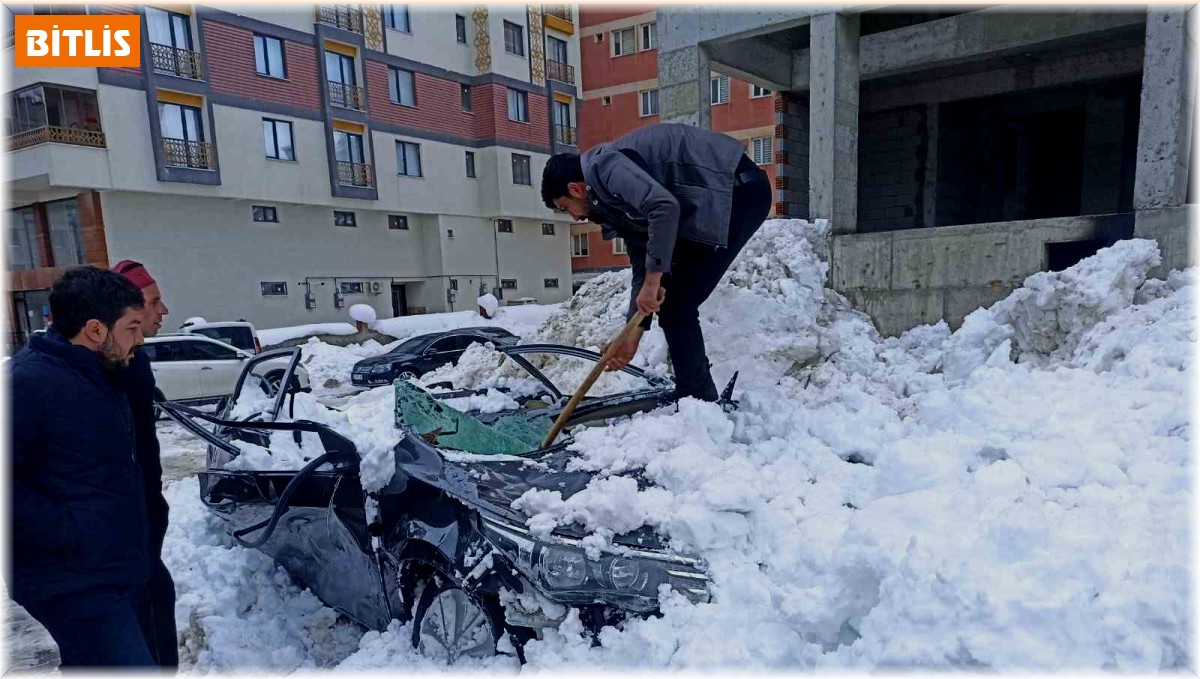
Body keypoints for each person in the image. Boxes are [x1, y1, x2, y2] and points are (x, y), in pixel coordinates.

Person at [541, 123, 773, 401]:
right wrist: (632, 336)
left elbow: (664, 207)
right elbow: (644, 261)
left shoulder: (606, 168)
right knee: (672, 296)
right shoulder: (611, 202)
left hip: (736, 192)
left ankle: (697, 397)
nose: (574, 218)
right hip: (711, 203)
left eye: (566, 208)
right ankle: (694, 393)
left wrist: (655, 280)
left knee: (677, 300)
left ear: (575, 189)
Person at [8, 266, 154, 667]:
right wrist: (70, 531)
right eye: (132, 327)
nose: (139, 340)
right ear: (94, 330)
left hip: (105, 568)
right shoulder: (25, 385)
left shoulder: (97, 374)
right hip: (68, 579)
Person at [113, 259, 178, 669]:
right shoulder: (109, 369)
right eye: (154, 302)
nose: (163, 310)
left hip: (142, 520)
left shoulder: (134, 363)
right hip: (122, 535)